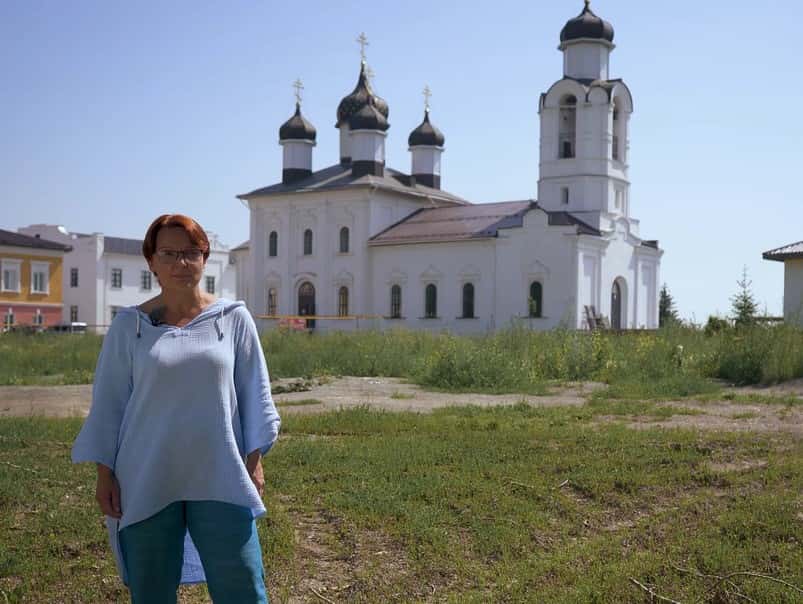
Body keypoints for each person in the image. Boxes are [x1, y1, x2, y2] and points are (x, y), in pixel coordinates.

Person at [72, 214, 280, 604]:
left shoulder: (232, 319)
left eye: (190, 253)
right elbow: (109, 405)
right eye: (168, 253)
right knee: (151, 589)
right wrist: (105, 473)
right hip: (146, 474)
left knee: (242, 583)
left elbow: (256, 396)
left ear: (205, 259)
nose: (180, 263)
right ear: (151, 261)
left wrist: (254, 461)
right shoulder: (129, 327)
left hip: (221, 472)